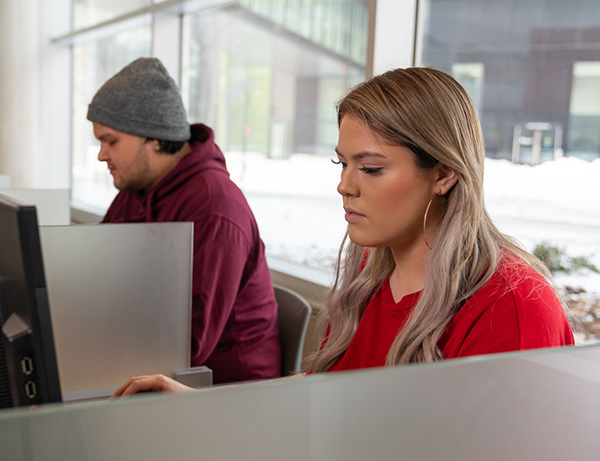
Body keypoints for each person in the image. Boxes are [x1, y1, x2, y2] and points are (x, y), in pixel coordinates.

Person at [112, 66, 574, 396]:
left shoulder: (511, 304)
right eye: (342, 162)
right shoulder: (372, 269)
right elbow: (331, 392)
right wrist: (204, 408)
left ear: (444, 174)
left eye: (370, 169)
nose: (344, 186)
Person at [87, 57, 281, 384]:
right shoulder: (136, 191)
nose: (101, 154)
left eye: (111, 141)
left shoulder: (214, 208)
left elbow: (185, 343)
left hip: (225, 393)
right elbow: (98, 275)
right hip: (151, 363)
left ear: (153, 137)